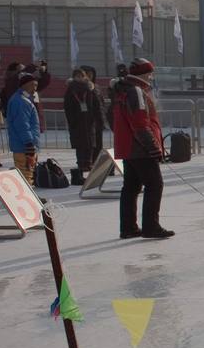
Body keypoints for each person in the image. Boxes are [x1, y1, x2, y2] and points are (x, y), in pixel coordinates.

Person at [113, 59, 171, 239]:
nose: (152, 77)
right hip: (139, 147)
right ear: (144, 74)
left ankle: (128, 227)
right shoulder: (136, 92)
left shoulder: (124, 90)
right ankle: (151, 226)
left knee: (131, 187)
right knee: (154, 185)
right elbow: (140, 123)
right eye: (150, 73)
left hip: (128, 146)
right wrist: (153, 146)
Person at [63, 67, 104, 173]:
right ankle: (81, 163)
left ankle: (89, 162)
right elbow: (67, 107)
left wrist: (99, 119)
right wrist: (71, 120)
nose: (80, 78)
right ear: (74, 77)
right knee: (80, 144)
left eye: (81, 76)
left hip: (89, 121)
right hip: (77, 121)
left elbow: (97, 105)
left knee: (90, 144)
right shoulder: (71, 90)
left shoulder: (90, 89)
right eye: (77, 76)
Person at [5, 69, 41, 186]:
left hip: (24, 144)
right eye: (32, 85)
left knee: (27, 172)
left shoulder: (24, 99)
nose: (34, 88)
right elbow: (22, 125)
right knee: (26, 172)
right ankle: (28, 199)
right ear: (24, 85)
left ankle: (28, 196)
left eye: (36, 85)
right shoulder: (21, 102)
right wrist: (29, 143)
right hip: (24, 145)